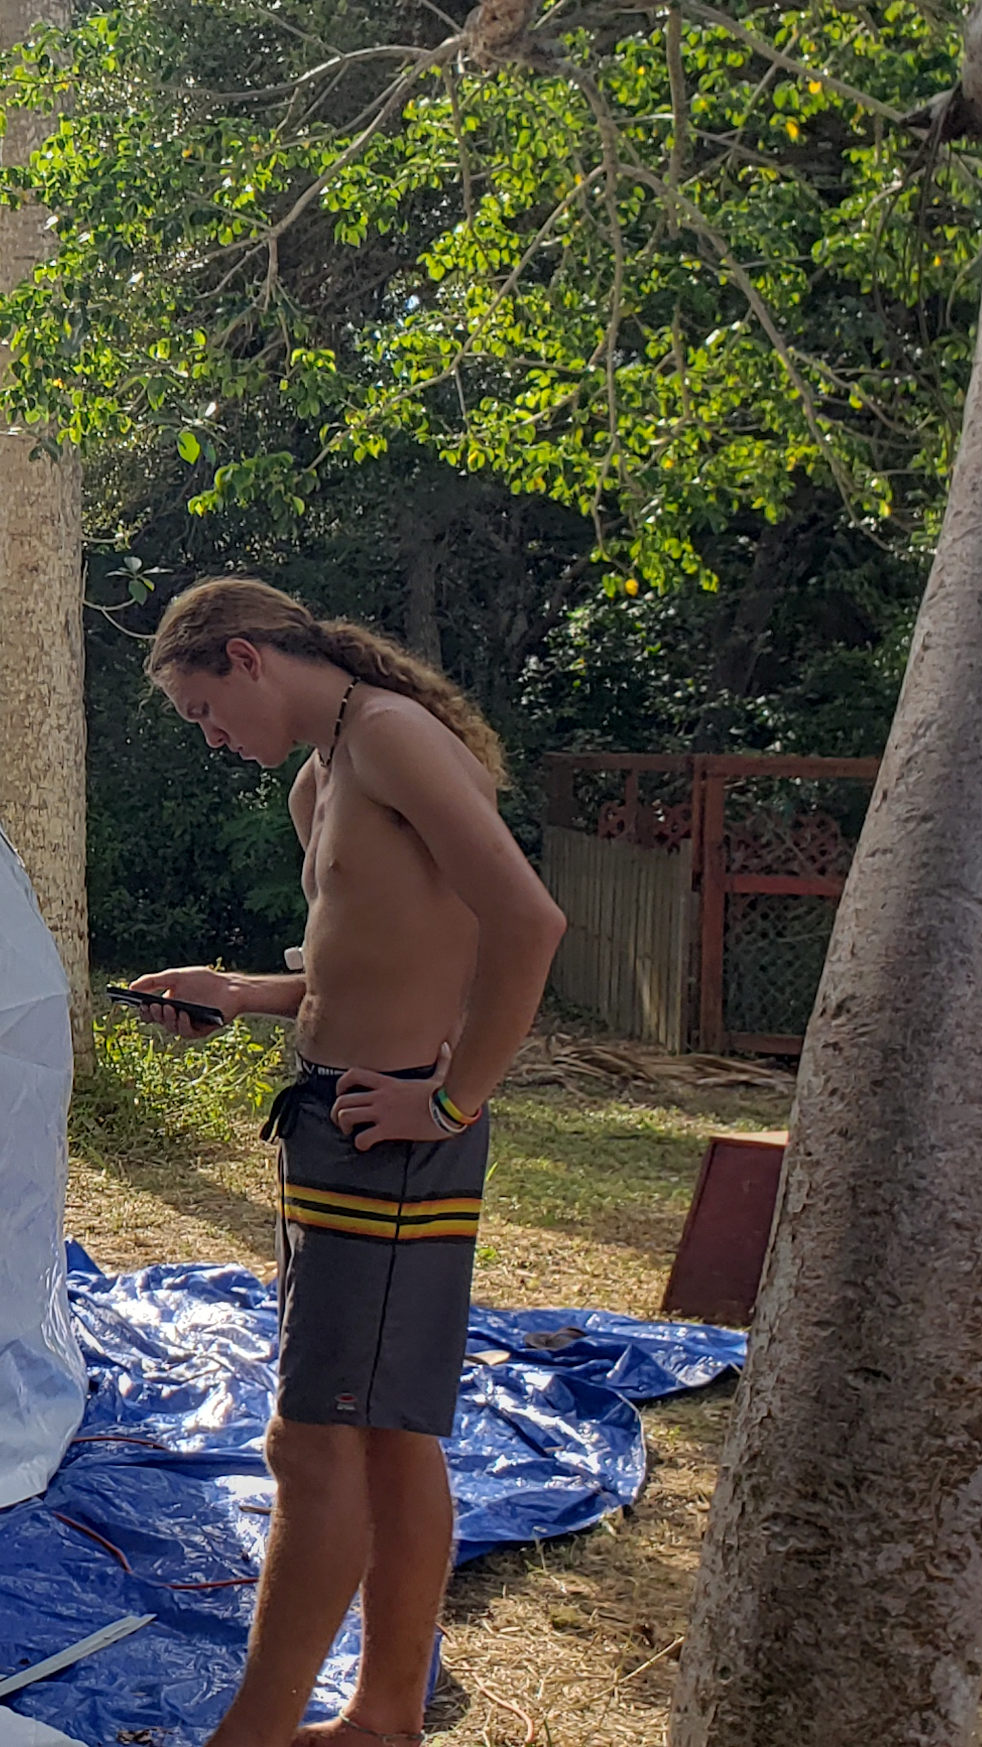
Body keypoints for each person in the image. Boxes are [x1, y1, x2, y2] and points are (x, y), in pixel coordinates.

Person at [125, 578, 565, 1747]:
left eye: (204, 711)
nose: (213, 740)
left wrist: (452, 1097)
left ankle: (255, 1734)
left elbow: (528, 923)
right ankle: (381, 1718)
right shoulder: (322, 780)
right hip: (333, 1128)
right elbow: (348, 979)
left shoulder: (391, 737)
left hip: (395, 1146)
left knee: (311, 1442)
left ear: (246, 657)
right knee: (387, 1435)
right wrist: (232, 993)